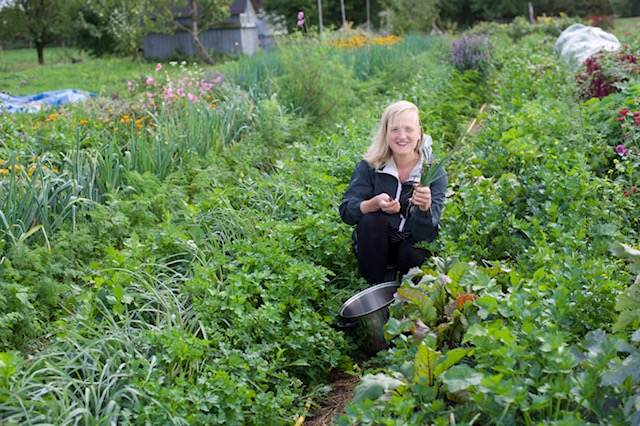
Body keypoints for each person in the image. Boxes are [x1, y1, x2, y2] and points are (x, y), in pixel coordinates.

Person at [339, 100, 448, 284]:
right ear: (386, 133)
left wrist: (424, 208)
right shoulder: (370, 165)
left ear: (419, 132)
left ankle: (405, 295)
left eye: (408, 129)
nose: (402, 136)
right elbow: (347, 212)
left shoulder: (433, 173)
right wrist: (373, 203)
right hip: (377, 244)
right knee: (371, 221)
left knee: (413, 253)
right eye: (395, 129)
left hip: (411, 244)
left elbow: (426, 236)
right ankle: (374, 285)